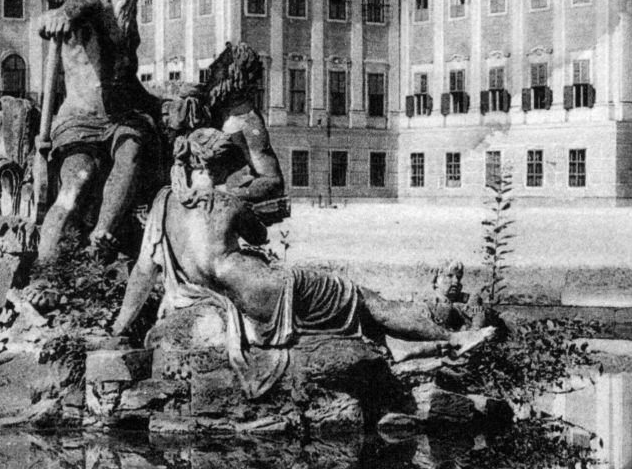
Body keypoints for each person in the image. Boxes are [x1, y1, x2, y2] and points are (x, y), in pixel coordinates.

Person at [113, 128, 494, 398]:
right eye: (230, 168)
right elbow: (260, 236)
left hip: (206, 296)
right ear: (218, 166)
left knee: (360, 313)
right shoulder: (229, 200)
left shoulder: (164, 202)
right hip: (265, 291)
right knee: (363, 299)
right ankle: (452, 339)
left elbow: (145, 272)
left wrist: (120, 327)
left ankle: (411, 350)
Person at [35, 0, 163, 260]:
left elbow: (126, 81)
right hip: (79, 120)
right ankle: (46, 264)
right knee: (76, 184)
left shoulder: (126, 13)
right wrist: (61, 15)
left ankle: (103, 233)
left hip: (119, 118)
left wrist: (161, 103)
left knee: (133, 147)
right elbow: (77, 4)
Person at [200, 43, 286, 220]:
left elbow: (273, 181)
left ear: (235, 75)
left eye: (218, 69)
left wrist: (226, 193)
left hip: (222, 203)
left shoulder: (250, 123)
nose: (211, 72)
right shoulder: (214, 111)